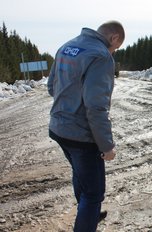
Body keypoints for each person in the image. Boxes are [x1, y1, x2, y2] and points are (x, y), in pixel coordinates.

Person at [47, 21, 124, 232]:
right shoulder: (101, 55)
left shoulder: (67, 46)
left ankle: (88, 213)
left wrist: (69, 105)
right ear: (114, 38)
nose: (113, 53)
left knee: (80, 173)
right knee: (94, 193)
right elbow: (96, 107)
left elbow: (51, 86)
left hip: (58, 128)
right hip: (81, 135)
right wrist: (107, 146)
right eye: (115, 49)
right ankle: (88, 215)